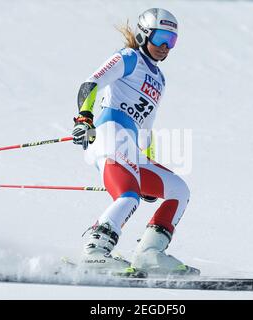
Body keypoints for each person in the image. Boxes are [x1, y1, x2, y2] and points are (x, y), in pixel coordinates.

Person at [71, 8, 199, 276]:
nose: (166, 47)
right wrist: (84, 118)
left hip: (130, 146)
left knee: (178, 190)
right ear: (144, 34)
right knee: (128, 196)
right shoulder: (129, 58)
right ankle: (94, 250)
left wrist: (148, 159)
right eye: (162, 37)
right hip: (108, 135)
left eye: (172, 41)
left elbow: (147, 127)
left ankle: (150, 254)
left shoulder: (160, 80)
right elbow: (91, 82)